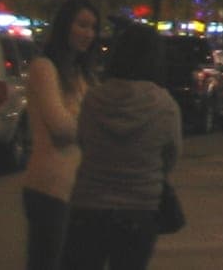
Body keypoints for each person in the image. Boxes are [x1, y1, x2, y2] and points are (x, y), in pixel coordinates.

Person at [63, 21, 180, 270]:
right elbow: (170, 156)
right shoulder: (164, 104)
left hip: (89, 205)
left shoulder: (94, 98)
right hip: (139, 207)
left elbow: (83, 141)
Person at [23, 0, 100, 270]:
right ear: (65, 25)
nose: (88, 33)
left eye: (93, 27)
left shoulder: (83, 75)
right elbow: (61, 127)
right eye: (81, 24)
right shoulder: (45, 69)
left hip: (79, 190)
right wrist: (90, 123)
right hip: (49, 188)